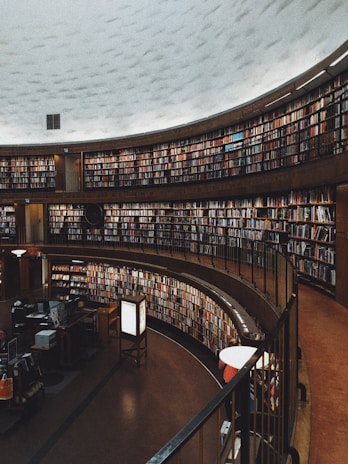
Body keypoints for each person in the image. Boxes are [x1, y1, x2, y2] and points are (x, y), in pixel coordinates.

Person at [219, 336, 238, 420]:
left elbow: (220, 366)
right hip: (236, 380)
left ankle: (230, 417)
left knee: (227, 399)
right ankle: (234, 412)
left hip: (227, 379)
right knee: (235, 398)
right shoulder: (239, 355)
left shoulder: (225, 354)